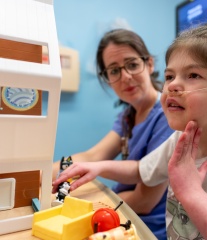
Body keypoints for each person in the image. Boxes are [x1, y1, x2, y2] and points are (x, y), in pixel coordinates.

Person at [53, 23, 207, 239]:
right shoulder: (181, 138)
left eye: (193, 75)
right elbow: (143, 169)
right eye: (170, 76)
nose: (173, 86)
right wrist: (99, 167)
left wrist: (191, 193)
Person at [52, 29, 174, 240]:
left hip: (148, 228)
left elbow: (145, 201)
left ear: (150, 65)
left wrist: (85, 209)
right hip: (124, 214)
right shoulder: (128, 116)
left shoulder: (168, 116)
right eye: (114, 70)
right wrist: (43, 173)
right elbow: (92, 157)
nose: (125, 76)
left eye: (132, 64)